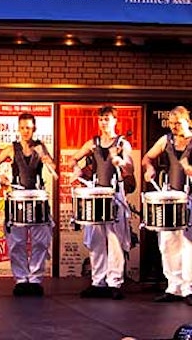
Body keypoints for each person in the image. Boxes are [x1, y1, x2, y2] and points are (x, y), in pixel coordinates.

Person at [69, 105, 134, 300]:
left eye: (107, 119)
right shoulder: (93, 143)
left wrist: (120, 161)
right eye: (101, 119)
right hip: (96, 195)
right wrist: (78, 168)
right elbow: (74, 158)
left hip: (114, 195)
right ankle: (98, 281)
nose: (104, 122)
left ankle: (114, 282)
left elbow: (130, 168)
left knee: (114, 240)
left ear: (115, 120)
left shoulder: (123, 143)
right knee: (96, 240)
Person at [0, 112, 55, 297]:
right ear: (19, 128)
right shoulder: (11, 149)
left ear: (34, 129)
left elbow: (53, 168)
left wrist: (45, 157)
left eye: (29, 127)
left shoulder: (41, 147)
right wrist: (0, 176)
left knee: (40, 242)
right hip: (17, 198)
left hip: (37, 197)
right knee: (17, 242)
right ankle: (21, 278)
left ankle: (35, 279)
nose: (26, 131)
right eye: (23, 127)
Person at [142, 105, 192, 305]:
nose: (174, 127)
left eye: (178, 123)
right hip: (171, 196)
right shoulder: (166, 140)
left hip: (190, 199)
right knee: (168, 244)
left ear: (188, 122)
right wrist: (149, 167)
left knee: (188, 245)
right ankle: (173, 287)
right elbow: (147, 157)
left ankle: (189, 289)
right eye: (171, 124)